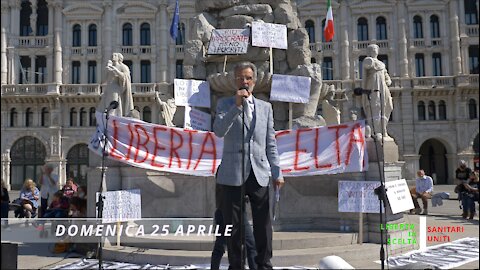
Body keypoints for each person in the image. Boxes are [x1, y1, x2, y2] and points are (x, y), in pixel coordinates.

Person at [213, 61, 284, 269]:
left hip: (259, 172)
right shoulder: (225, 104)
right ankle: (237, 266)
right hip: (232, 173)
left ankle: (264, 265)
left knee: (263, 226)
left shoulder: (265, 108)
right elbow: (218, 131)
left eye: (248, 78)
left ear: (254, 81)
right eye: (240, 78)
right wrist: (236, 106)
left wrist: (277, 172)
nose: (244, 81)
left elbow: (270, 142)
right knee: (234, 229)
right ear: (235, 81)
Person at [211, 184, 257, 270]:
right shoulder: (225, 176)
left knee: (249, 245)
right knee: (221, 246)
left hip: (235, 211)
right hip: (227, 212)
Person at [361, 44, 393, 140]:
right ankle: (377, 131)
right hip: (374, 87)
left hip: (383, 87)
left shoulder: (382, 64)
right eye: (372, 49)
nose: (374, 50)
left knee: (389, 106)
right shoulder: (368, 61)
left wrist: (388, 80)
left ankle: (383, 128)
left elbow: (386, 75)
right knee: (376, 108)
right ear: (369, 51)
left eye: (376, 49)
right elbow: (365, 75)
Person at [98, 53, 135, 117]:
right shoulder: (109, 67)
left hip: (115, 89)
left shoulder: (123, 67)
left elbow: (126, 77)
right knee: (103, 107)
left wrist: (116, 70)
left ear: (119, 58)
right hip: (108, 89)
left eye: (115, 55)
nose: (113, 56)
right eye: (112, 55)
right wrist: (107, 70)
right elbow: (104, 80)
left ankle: (112, 118)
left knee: (113, 105)